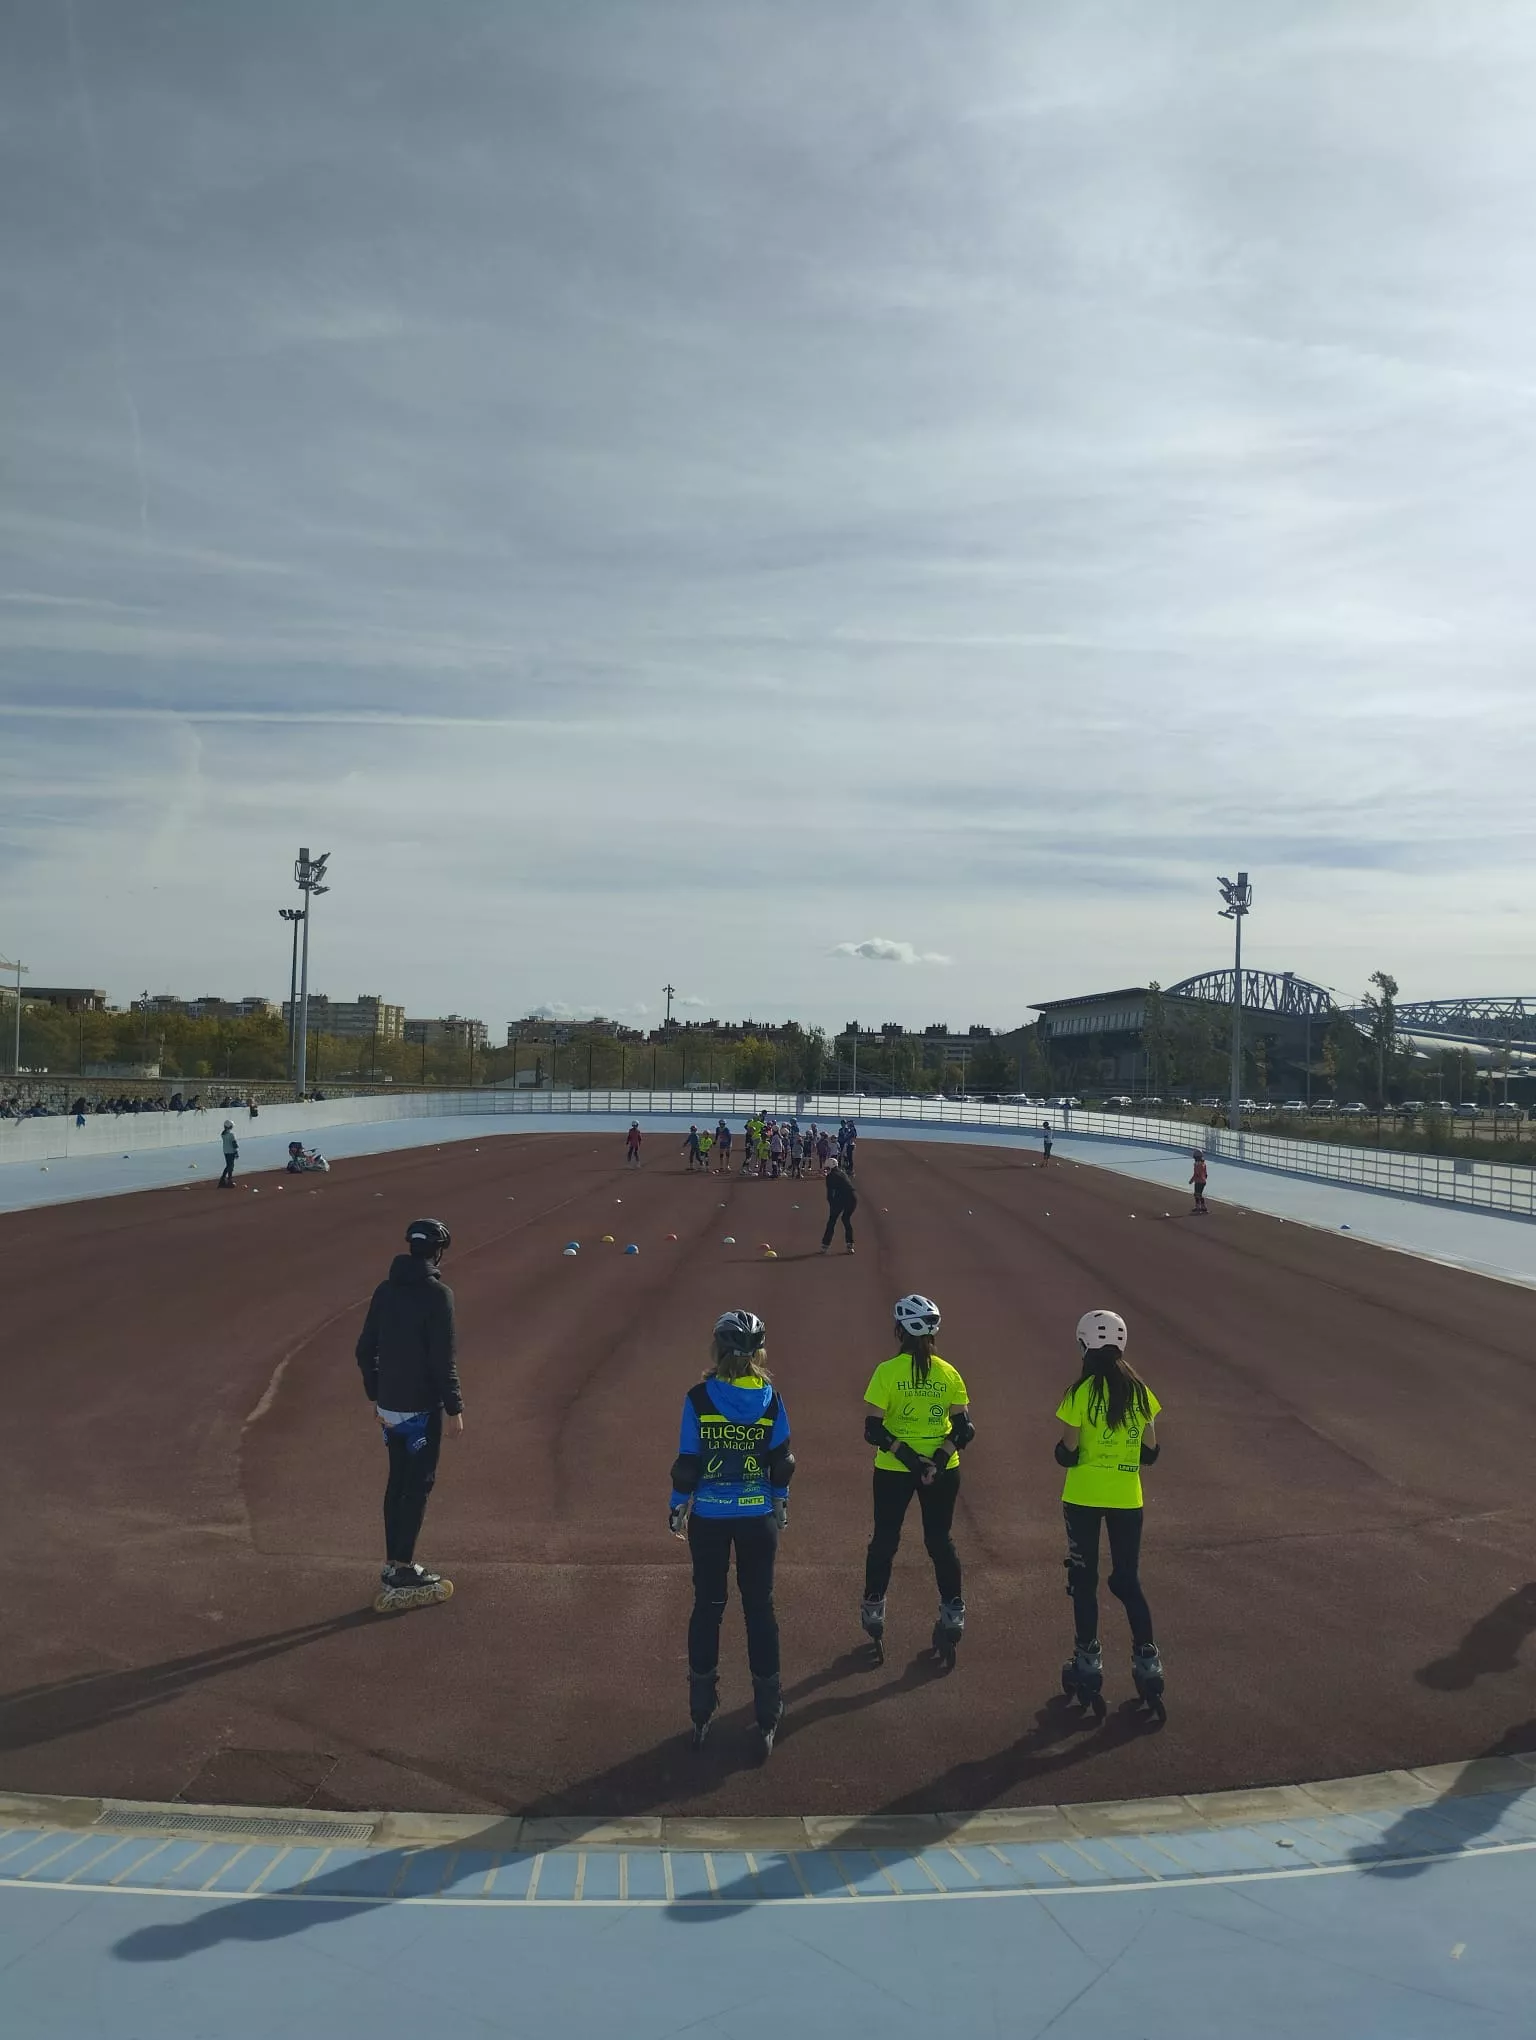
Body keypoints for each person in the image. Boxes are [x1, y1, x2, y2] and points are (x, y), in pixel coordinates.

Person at [668, 1308, 794, 1756]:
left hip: (712, 1519)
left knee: (708, 1606)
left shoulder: (698, 1398)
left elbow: (688, 1462)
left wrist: (677, 1507)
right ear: (757, 1353)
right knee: (760, 1608)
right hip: (758, 1516)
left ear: (718, 1349)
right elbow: (782, 1462)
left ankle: (701, 1705)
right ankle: (767, 1710)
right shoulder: (771, 1399)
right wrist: (780, 1502)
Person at [1055, 1309, 1165, 1719]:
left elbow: (1067, 1452)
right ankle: (1147, 1659)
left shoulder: (1079, 1393)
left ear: (1083, 1344)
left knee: (1084, 1581)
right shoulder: (1140, 1393)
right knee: (1126, 1580)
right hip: (1127, 1498)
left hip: (1083, 1496)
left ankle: (1087, 1660)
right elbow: (1151, 1453)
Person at [355, 1218, 464, 1612]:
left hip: (389, 1408)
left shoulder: (385, 1290)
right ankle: (402, 1568)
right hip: (421, 1408)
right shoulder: (439, 1295)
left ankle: (392, 1562)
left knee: (397, 1480)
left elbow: (364, 1349)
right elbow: (442, 1359)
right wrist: (455, 1407)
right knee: (418, 1484)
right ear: (438, 1252)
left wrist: (376, 1392)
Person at [861, 1294, 974, 1667]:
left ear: (899, 1331)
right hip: (942, 1470)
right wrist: (935, 1462)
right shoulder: (949, 1372)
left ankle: (874, 1603)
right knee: (940, 1539)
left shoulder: (886, 1371)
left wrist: (911, 1460)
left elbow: (874, 1430)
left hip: (895, 1469)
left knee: (886, 1537)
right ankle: (953, 1608)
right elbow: (963, 1429)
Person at [821, 1161, 857, 1253]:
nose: (826, 1170)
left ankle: (825, 1245)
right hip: (852, 1198)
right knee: (846, 1219)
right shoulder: (842, 1173)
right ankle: (850, 1245)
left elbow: (830, 1195)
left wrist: (832, 1207)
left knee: (832, 1221)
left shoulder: (830, 1177)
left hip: (841, 1198)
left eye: (827, 1168)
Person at [218, 1118, 238, 1188]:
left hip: (225, 1151)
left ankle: (223, 1180)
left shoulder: (223, 1134)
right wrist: (236, 1152)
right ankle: (229, 1180)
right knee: (231, 1166)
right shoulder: (231, 1134)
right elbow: (234, 1144)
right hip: (231, 1151)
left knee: (228, 1165)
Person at [1190, 1148, 1208, 1214]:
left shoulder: (1198, 1165)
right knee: (1197, 1194)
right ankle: (1200, 1206)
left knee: (1197, 1194)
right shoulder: (1203, 1164)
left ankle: (1201, 1206)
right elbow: (1205, 1174)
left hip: (1199, 1181)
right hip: (1202, 1181)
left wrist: (1192, 1180)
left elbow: (1196, 1174)